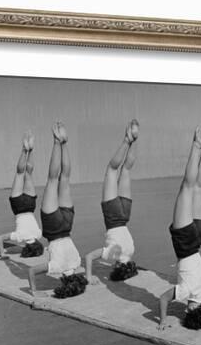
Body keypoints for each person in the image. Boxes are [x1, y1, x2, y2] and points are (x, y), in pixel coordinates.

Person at [158, 125, 201, 331]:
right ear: (190, 311)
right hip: (186, 243)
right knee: (186, 186)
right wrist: (163, 319)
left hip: (199, 238)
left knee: (197, 189)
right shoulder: (187, 292)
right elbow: (163, 298)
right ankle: (196, 144)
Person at [28, 122, 85, 298]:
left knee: (65, 178)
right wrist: (34, 291)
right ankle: (55, 141)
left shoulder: (77, 263)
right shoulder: (56, 269)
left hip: (67, 225)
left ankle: (64, 142)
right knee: (52, 179)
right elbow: (32, 271)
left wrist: (88, 277)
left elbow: (83, 269)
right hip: (53, 228)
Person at [85, 119, 140, 284]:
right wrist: (88, 276)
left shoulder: (130, 252)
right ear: (116, 268)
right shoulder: (113, 255)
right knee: (111, 169)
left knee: (126, 170)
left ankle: (134, 140)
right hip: (113, 217)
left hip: (125, 215)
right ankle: (126, 140)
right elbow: (89, 257)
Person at [0, 131, 43, 259]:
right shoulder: (19, 237)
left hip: (30, 205)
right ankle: (24, 150)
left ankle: (31, 150)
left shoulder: (38, 234)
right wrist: (2, 252)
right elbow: (0, 238)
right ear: (26, 249)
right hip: (18, 207)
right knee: (19, 173)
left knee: (28, 173)